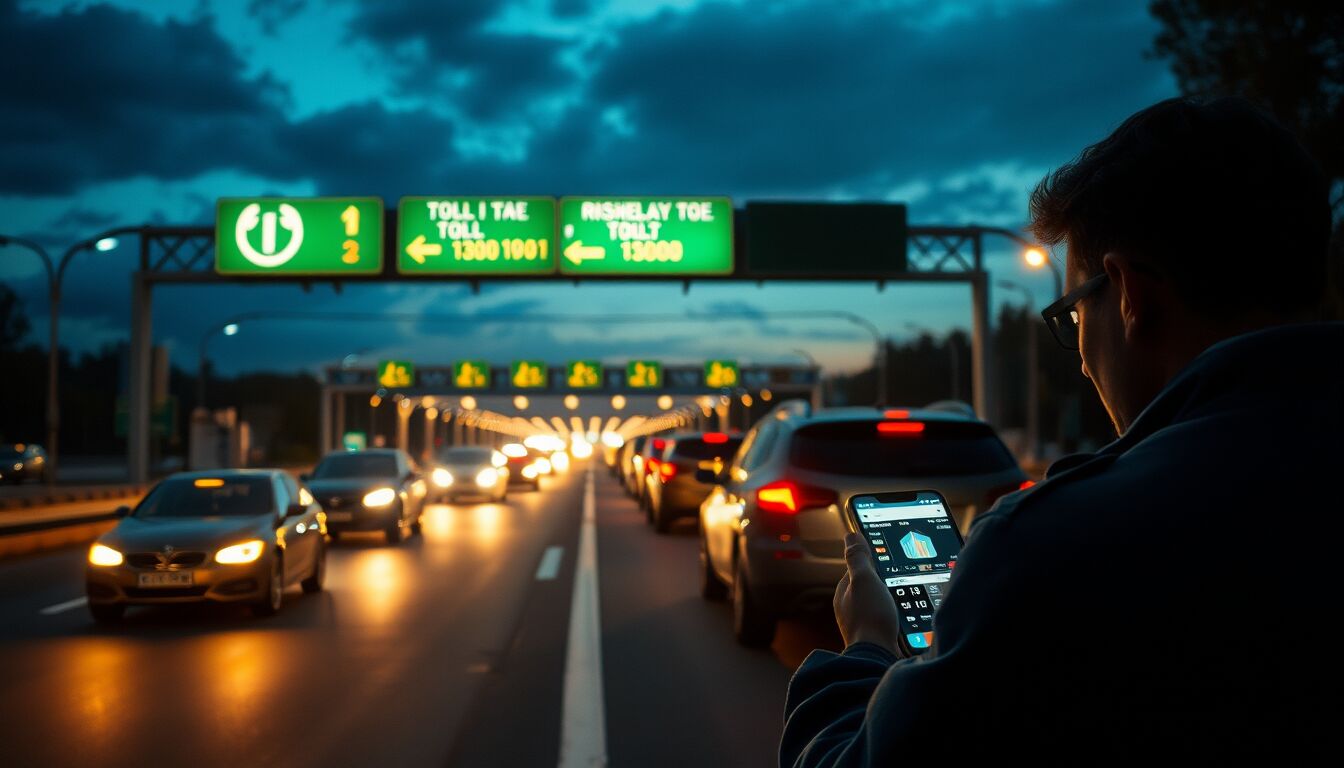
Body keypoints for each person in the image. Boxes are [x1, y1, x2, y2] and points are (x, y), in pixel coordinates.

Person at [780, 96, 1342, 764]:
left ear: (1130, 293)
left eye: (1073, 315)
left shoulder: (1055, 548)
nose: (1077, 356)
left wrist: (866, 649)